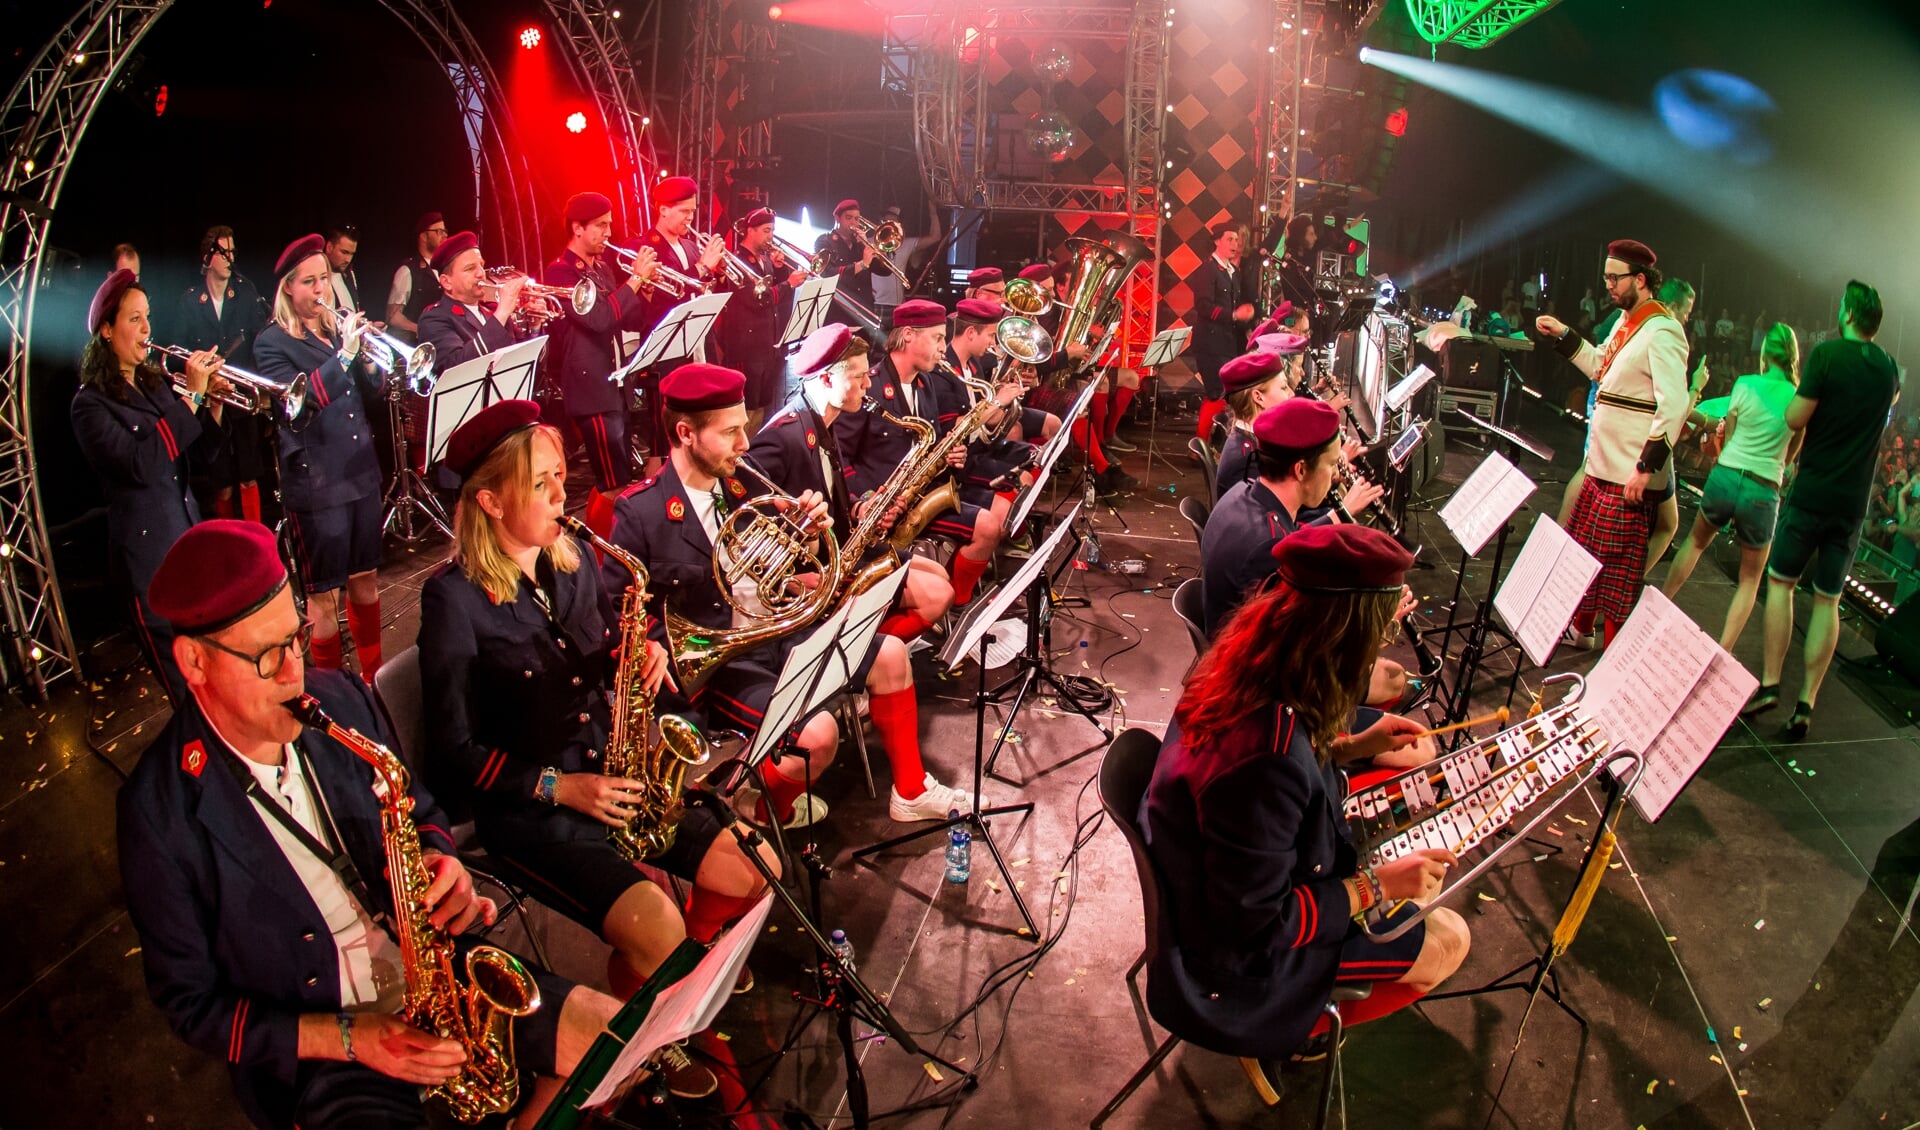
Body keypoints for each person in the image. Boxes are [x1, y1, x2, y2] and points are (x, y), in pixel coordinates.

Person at [117, 520, 637, 1128]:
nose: (295, 674)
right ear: (194, 662)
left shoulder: (338, 698)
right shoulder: (157, 812)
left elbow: (418, 809)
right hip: (324, 1047)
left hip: (434, 971)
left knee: (615, 1047)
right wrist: (348, 1038)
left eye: (296, 638)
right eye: (267, 655)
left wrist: (443, 863)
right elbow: (191, 1006)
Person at [415, 400, 765, 1098]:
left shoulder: (570, 560)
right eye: (541, 485)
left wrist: (642, 661)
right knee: (660, 925)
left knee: (755, 864)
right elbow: (453, 750)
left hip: (609, 769)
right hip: (528, 808)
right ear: (489, 501)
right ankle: (665, 1008)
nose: (561, 497)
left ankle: (659, 983)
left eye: (558, 478)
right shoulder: (450, 602)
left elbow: (603, 653)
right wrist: (557, 788)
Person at [1143, 523, 1471, 1065]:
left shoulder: (1246, 662)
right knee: (1447, 940)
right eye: (1377, 635)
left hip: (1215, 891)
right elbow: (1260, 923)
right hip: (1234, 966)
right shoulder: (1266, 759)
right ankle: (1302, 1032)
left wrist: (1350, 748)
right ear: (1340, 636)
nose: (1380, 649)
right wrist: (1374, 886)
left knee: (1415, 893)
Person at [752, 324, 980, 819]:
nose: (865, 386)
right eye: (855, 378)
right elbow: (754, 532)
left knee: (936, 592)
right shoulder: (783, 437)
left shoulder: (822, 422)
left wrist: (860, 506)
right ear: (824, 378)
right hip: (807, 585)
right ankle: (864, 685)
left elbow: (833, 499)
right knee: (918, 614)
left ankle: (860, 681)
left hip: (840, 558)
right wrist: (798, 577)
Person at [602, 364, 838, 830]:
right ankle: (755, 805)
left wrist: (807, 537)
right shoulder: (641, 510)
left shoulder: (740, 485)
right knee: (819, 734)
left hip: (771, 635)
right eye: (731, 432)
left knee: (877, 655)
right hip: (717, 667)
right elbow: (615, 609)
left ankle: (759, 780)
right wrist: (651, 646)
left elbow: (775, 565)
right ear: (686, 433)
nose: (745, 444)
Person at [1745, 281, 1901, 738]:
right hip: (1852, 504)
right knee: (1829, 599)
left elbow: (1795, 418)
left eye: (1840, 306)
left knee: (1781, 584)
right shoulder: (1890, 369)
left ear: (1850, 313)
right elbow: (1887, 403)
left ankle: (1772, 682)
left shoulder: (1828, 356)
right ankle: (1806, 702)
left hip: (1813, 491)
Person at [71, 270, 225, 708]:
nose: (147, 330)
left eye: (148, 318)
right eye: (134, 319)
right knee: (190, 696)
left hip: (188, 546)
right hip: (148, 565)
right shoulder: (90, 405)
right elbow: (141, 464)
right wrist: (190, 400)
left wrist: (211, 404)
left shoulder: (155, 383)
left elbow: (200, 458)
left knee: (217, 681)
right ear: (106, 329)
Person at [1535, 239, 1688, 648]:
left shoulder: (1663, 330)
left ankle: (1610, 656)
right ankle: (1582, 631)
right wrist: (1565, 335)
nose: (1608, 286)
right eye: (1606, 278)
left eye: (1614, 278)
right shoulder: (1628, 322)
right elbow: (1602, 367)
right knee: (1588, 557)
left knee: (1617, 572)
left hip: (1627, 474)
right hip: (1604, 466)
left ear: (1641, 280)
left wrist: (1646, 468)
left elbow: (1674, 407)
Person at [252, 235, 388, 682]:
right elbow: (301, 403)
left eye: (324, 279)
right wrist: (347, 353)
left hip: (360, 472)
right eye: (308, 282)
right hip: (318, 486)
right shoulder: (271, 344)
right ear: (289, 288)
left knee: (365, 581)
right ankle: (334, 689)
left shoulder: (334, 331)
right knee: (323, 600)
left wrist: (369, 362)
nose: (319, 291)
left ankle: (373, 677)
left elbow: (371, 395)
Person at [836, 298, 1005, 605]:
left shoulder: (926, 383)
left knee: (990, 525)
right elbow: (840, 458)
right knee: (986, 526)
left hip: (919, 496)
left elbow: (934, 440)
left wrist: (952, 457)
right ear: (909, 334)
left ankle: (957, 603)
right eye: (938, 338)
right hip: (882, 510)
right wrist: (867, 500)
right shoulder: (868, 388)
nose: (944, 348)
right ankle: (940, 604)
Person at [1661, 322, 1802, 650]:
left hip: (1726, 476)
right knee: (1750, 580)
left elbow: (1732, 436)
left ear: (1765, 353)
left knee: (1695, 543)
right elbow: (1794, 450)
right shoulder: (1798, 398)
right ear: (1794, 356)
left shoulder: (1745, 384)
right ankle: (1722, 650)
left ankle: (1660, 605)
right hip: (1762, 489)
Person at [1201, 398, 1384, 637]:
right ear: (1300, 469)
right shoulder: (1268, 546)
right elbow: (1286, 640)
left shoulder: (1243, 492)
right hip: (1245, 666)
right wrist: (1374, 630)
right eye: (1331, 464)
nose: (1335, 474)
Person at [542, 190, 663, 536]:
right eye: (600, 225)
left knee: (621, 473)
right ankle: (608, 551)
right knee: (612, 479)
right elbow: (596, 318)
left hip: (615, 381)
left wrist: (645, 290)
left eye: (609, 224)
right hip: (590, 386)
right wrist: (635, 281)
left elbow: (630, 320)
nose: (609, 233)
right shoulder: (561, 272)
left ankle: (612, 546)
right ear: (577, 228)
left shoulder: (604, 269)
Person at [631, 176, 728, 478]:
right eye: (684, 211)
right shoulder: (644, 247)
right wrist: (702, 268)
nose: (690, 218)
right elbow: (661, 302)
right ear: (663, 210)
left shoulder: (689, 244)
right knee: (665, 438)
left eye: (692, 211)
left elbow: (703, 292)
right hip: (667, 356)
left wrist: (719, 275)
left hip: (699, 348)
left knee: (701, 425)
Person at [176, 224, 267, 524]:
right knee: (221, 480)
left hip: (241, 395)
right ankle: (228, 544)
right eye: (222, 251)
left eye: (232, 251)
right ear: (207, 257)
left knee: (249, 474)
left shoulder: (245, 291)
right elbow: (181, 351)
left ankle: (257, 542)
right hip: (211, 400)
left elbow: (259, 341)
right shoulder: (190, 301)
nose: (230, 257)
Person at [715, 207, 806, 433]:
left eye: (772, 231)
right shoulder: (737, 261)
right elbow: (756, 300)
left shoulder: (763, 261)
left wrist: (780, 271)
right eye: (766, 231)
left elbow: (775, 297)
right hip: (746, 348)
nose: (770, 237)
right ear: (750, 231)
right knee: (746, 410)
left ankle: (753, 453)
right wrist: (789, 284)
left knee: (762, 408)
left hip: (767, 346)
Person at [416, 231, 522, 371]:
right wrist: (502, 313)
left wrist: (535, 328)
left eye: (481, 265)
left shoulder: (491, 312)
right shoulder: (434, 318)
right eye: (470, 268)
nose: (481, 273)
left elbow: (526, 362)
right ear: (446, 282)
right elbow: (456, 368)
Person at [1214, 336, 1303, 499]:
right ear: (1258, 397)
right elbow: (1273, 515)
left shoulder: (1253, 439)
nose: (1292, 393)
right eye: (1284, 387)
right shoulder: (1248, 458)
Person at [1190, 224, 1254, 445]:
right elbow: (1204, 306)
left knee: (1225, 393)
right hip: (1210, 342)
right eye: (1230, 239)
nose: (1235, 244)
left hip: (1227, 342)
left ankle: (1213, 441)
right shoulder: (1207, 271)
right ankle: (1199, 445)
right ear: (1217, 241)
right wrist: (1234, 315)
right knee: (1217, 392)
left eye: (1237, 240)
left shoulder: (1232, 273)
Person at [814, 199, 891, 332]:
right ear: (837, 218)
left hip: (864, 311)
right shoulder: (824, 241)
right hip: (838, 312)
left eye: (856, 219)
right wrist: (862, 264)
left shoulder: (860, 244)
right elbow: (827, 273)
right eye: (848, 218)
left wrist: (867, 244)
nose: (853, 223)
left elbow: (885, 271)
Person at [385, 212, 447, 341]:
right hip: (417, 346)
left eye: (444, 231)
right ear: (424, 236)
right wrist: (418, 328)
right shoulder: (408, 270)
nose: (444, 235)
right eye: (438, 231)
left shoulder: (446, 269)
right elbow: (393, 316)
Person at [323, 226, 364, 316]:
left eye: (351, 254)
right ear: (329, 247)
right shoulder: (318, 279)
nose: (348, 260)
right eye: (344, 252)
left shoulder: (349, 275)